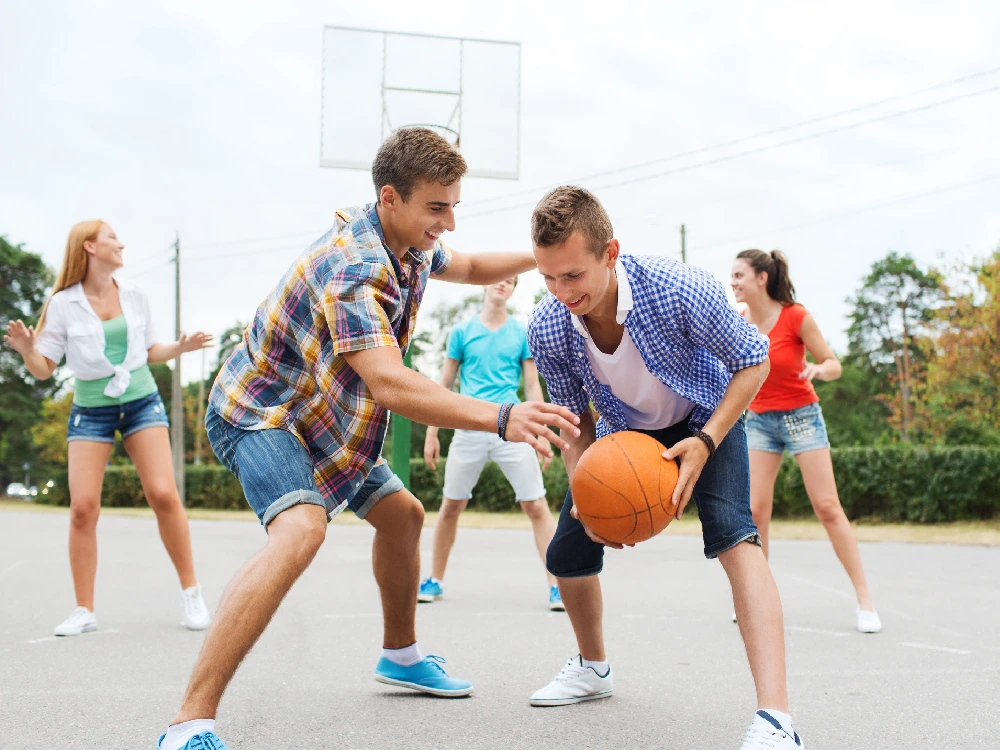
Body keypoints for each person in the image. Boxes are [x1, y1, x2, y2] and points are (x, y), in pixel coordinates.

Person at [156, 128, 580, 750]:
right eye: (437, 207)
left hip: (327, 419)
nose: (449, 222)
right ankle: (188, 722)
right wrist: (500, 416)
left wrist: (542, 259)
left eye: (453, 205)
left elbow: (467, 267)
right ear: (390, 198)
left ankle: (400, 656)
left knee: (404, 518)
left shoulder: (408, 243)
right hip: (263, 414)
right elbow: (389, 383)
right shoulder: (354, 268)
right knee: (301, 530)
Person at [525, 186, 805, 750]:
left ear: (610, 253)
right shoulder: (549, 325)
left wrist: (706, 440)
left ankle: (776, 720)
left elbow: (754, 361)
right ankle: (593, 669)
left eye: (573, 275)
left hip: (707, 416)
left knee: (736, 538)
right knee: (566, 553)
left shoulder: (679, 289)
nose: (562, 292)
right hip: (625, 435)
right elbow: (576, 419)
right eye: (549, 278)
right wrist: (584, 491)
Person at [3, 220, 213, 637]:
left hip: (141, 401)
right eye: (112, 237)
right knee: (83, 507)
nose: (121, 243)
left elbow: (151, 351)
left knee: (163, 494)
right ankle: (84, 610)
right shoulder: (62, 304)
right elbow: (44, 369)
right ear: (89, 247)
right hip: (91, 409)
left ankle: (192, 593)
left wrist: (180, 348)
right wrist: (28, 350)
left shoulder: (134, 294)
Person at [732, 249, 880, 634]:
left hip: (802, 417)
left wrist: (819, 369)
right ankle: (757, 599)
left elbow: (834, 364)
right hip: (760, 420)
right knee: (755, 510)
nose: (733, 282)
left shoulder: (796, 316)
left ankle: (865, 601)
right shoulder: (741, 321)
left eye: (739, 275)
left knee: (827, 507)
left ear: (761, 278)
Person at [421, 275, 563, 611]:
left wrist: (541, 431)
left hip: (512, 427)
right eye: (498, 278)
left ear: (513, 290)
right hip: (469, 426)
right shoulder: (461, 333)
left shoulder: (521, 333)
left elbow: (532, 387)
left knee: (536, 506)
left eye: (510, 281)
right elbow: (443, 386)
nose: (503, 284)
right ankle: (434, 580)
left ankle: (558, 585)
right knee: (451, 507)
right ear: (485, 285)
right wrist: (431, 432)